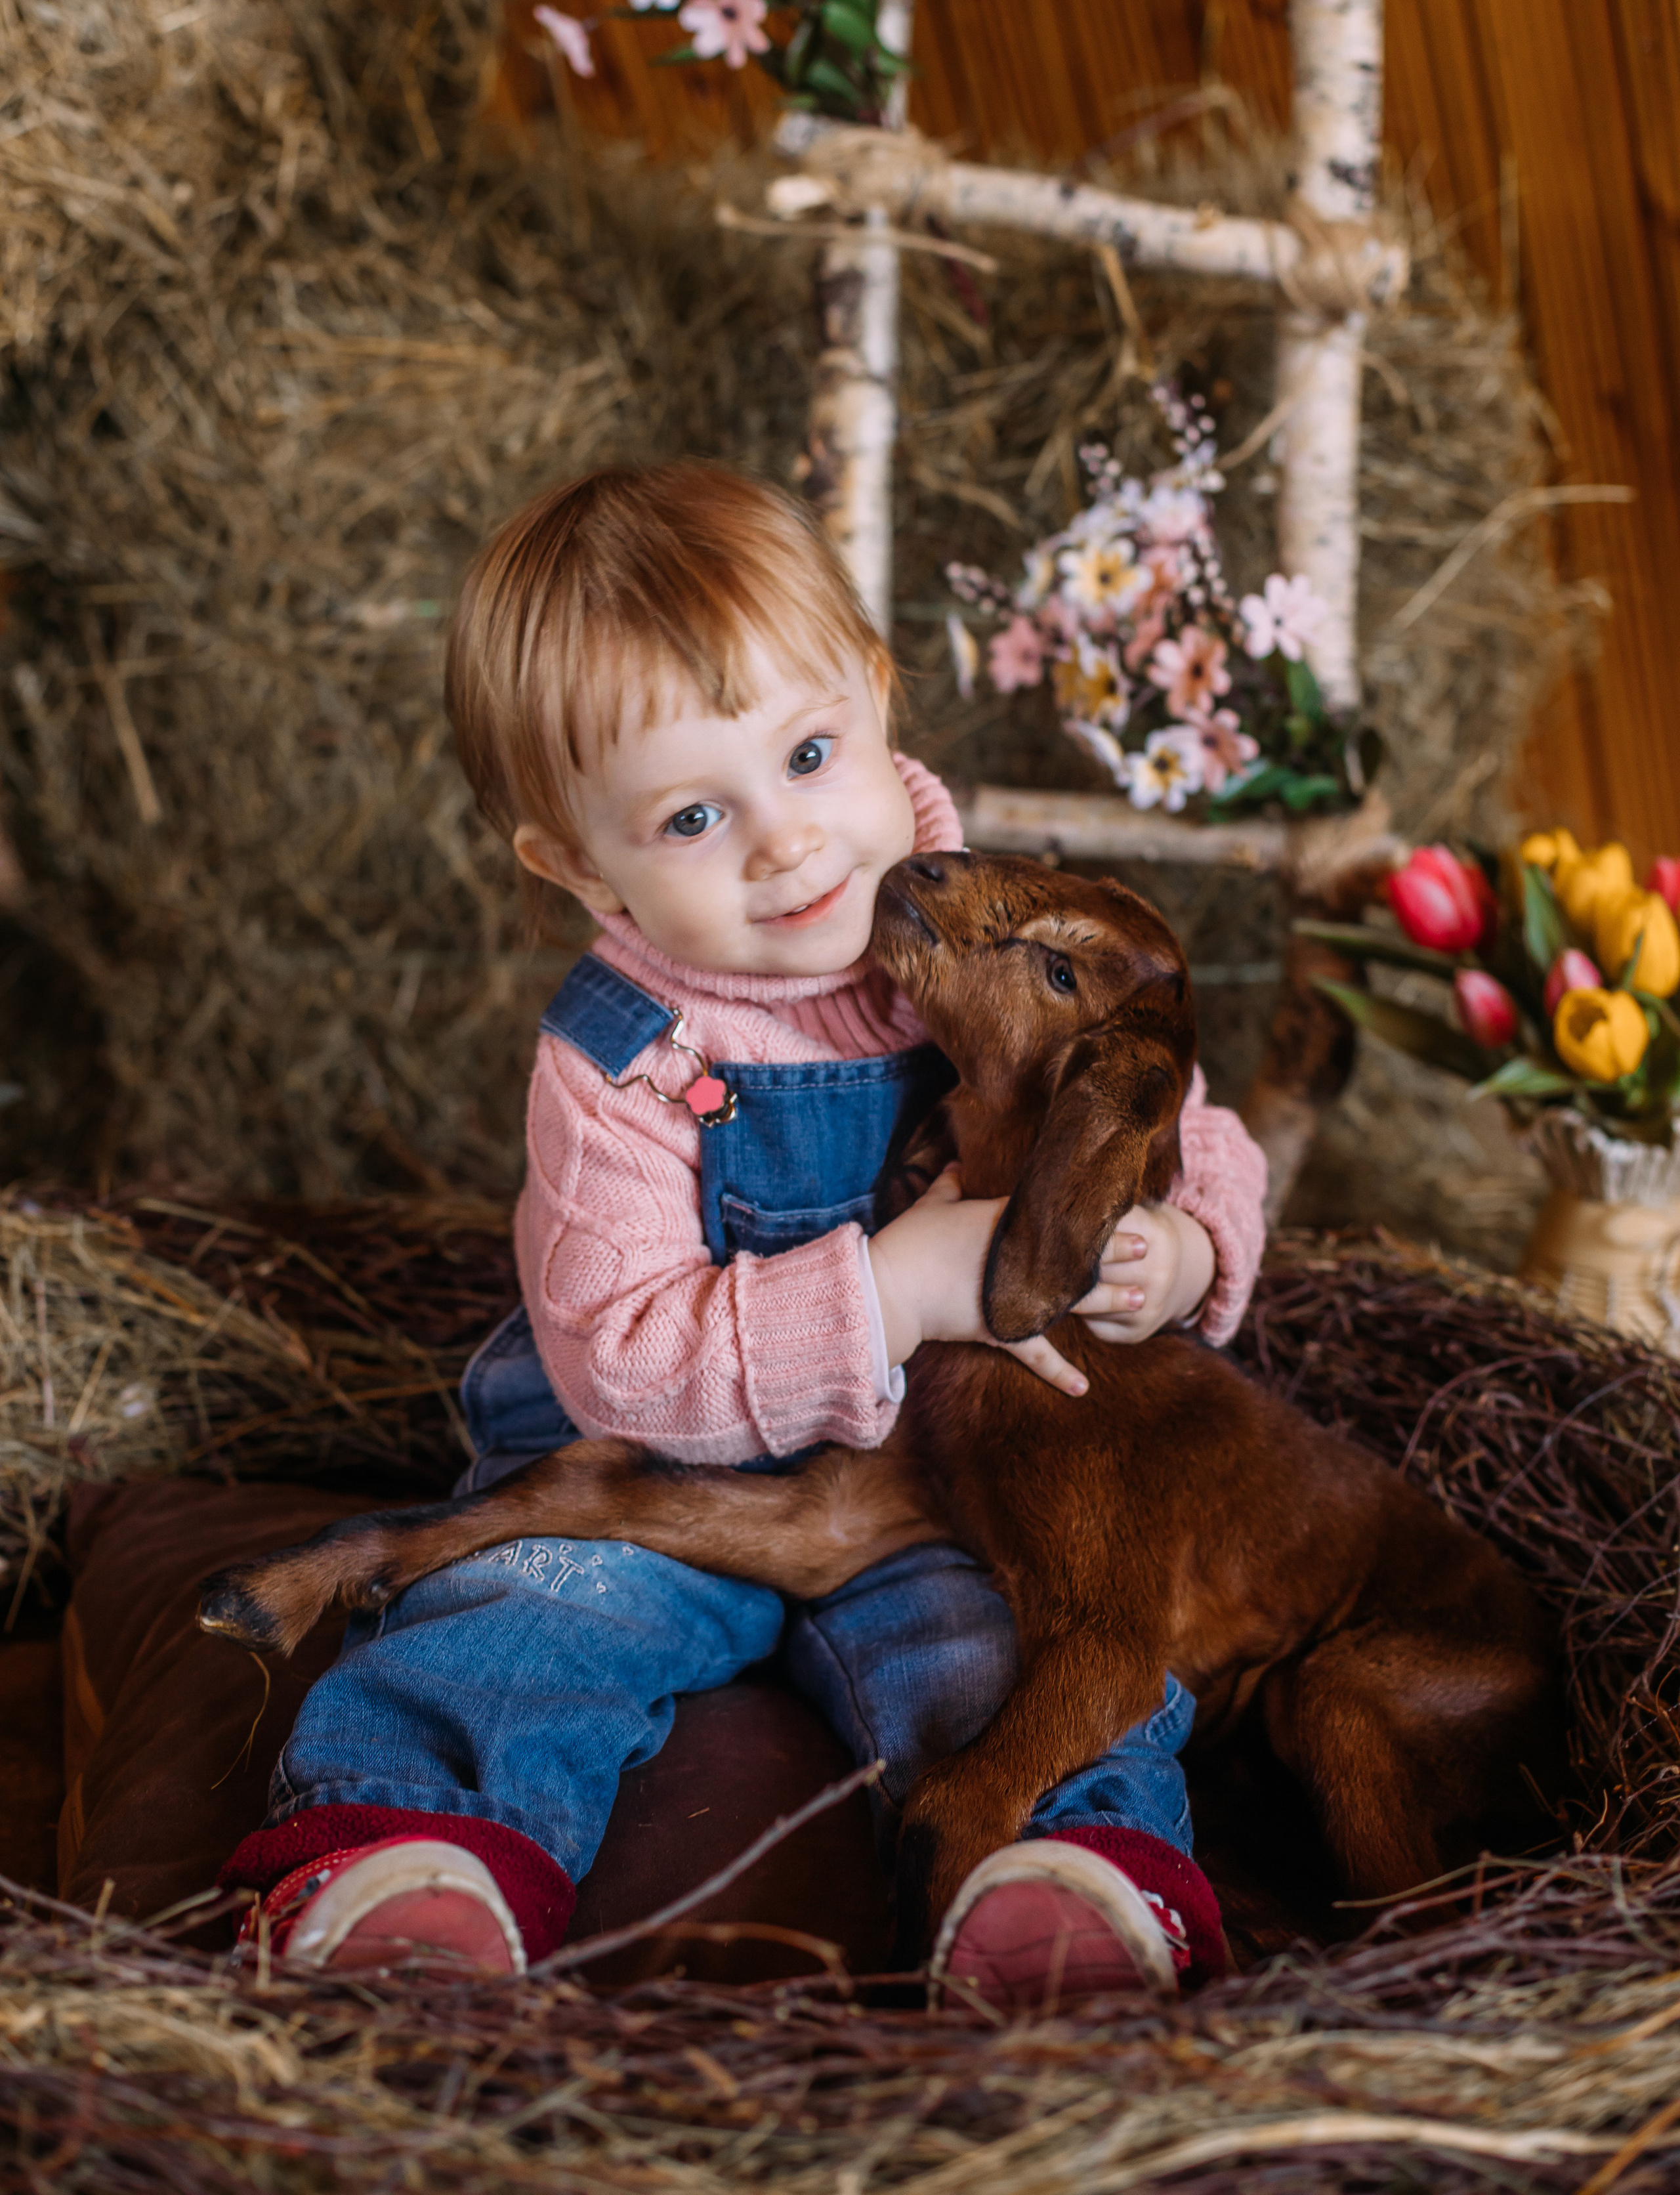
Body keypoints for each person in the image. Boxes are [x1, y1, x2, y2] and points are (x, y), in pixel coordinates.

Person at [221, 465, 1268, 2006]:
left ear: (879, 698)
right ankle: (403, 1859)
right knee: (525, 1619)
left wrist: (1174, 1255)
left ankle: (1061, 1884)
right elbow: (620, 1362)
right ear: (579, 864)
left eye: (810, 753)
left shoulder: (1014, 931)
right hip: (662, 1474)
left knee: (1021, 1653)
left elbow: (1192, 1128)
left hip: (943, 1486)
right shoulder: (619, 1058)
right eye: (695, 815)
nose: (785, 844)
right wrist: (892, 1292)